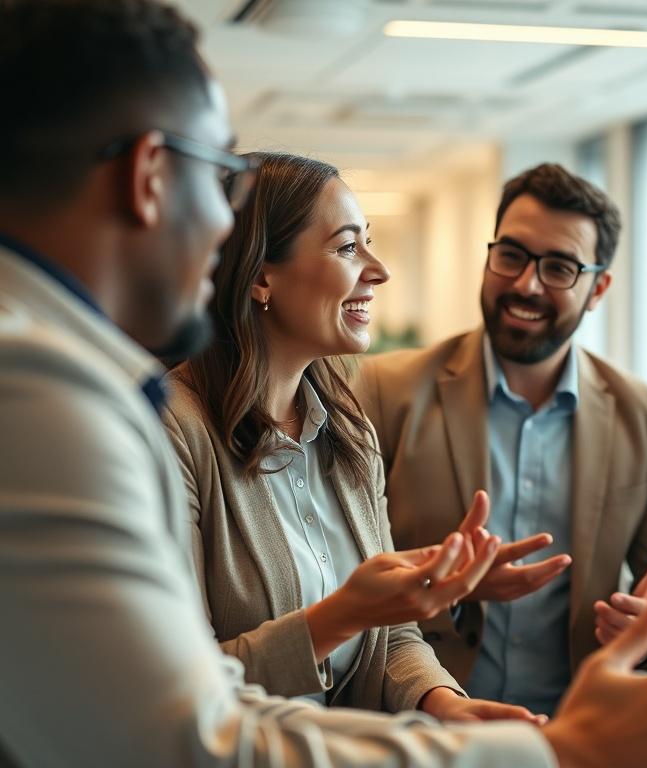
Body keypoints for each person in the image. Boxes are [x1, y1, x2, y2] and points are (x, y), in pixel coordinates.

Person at [0, 1, 647, 766]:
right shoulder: (54, 398)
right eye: (214, 183)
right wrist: (548, 752)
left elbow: (255, 691)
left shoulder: (339, 419)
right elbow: (193, 737)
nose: (221, 225)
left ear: (597, 286)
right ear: (149, 176)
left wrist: (449, 707)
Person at [163, 150, 539, 722]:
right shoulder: (174, 430)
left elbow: (392, 638)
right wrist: (339, 616)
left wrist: (443, 704)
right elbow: (174, 686)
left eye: (368, 240)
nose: (378, 269)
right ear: (261, 275)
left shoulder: (349, 430)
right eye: (346, 247)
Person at [354, 163, 647, 716]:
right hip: (423, 724)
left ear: (598, 288)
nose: (526, 284)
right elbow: (344, 568)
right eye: (511, 255)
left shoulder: (644, 413)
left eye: (559, 267)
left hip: (576, 727)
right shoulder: (385, 390)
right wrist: (449, 588)